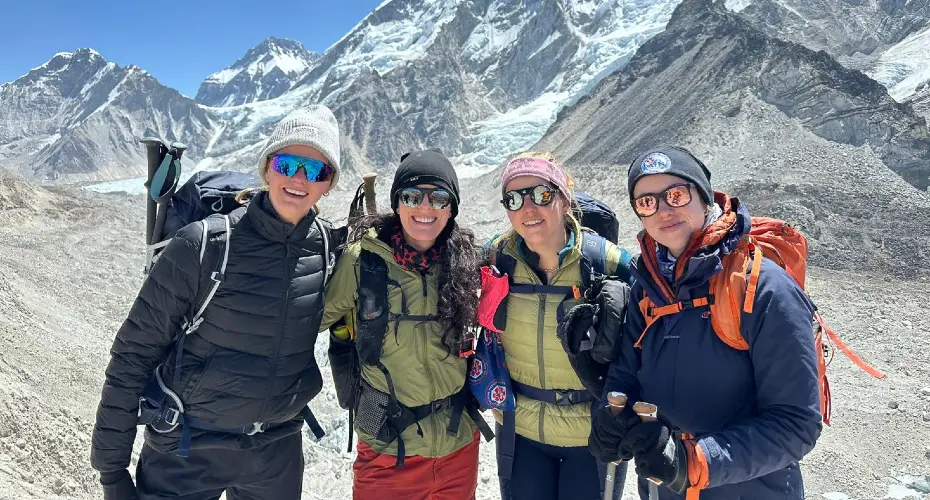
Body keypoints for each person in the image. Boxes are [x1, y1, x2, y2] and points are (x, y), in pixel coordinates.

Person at [90, 104, 343, 500]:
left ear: (329, 183)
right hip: (186, 449)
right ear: (267, 168)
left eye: (316, 170)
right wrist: (111, 471)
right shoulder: (202, 244)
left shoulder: (326, 247)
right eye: (287, 163)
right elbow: (133, 353)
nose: (299, 178)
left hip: (276, 451)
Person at [588, 145, 823, 499]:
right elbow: (626, 374)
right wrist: (612, 414)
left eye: (676, 195)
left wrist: (694, 462)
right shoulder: (647, 286)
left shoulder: (762, 287)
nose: (663, 210)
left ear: (703, 195)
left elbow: (796, 423)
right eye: (647, 202)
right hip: (665, 484)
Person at [321, 148, 490, 500]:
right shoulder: (363, 260)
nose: (425, 207)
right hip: (387, 448)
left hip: (458, 446)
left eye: (439, 197)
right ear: (397, 203)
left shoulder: (465, 262)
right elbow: (312, 320)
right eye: (412, 196)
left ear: (451, 208)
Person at [485, 152, 633, 500]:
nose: (528, 208)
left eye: (541, 194)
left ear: (564, 200)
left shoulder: (606, 261)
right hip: (520, 432)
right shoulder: (499, 257)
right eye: (513, 199)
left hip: (592, 433)